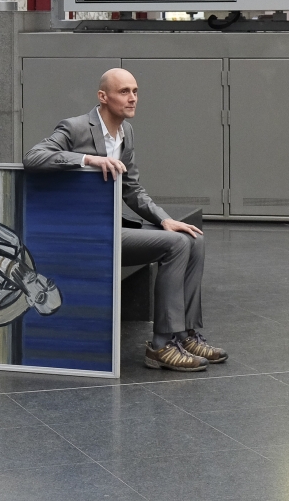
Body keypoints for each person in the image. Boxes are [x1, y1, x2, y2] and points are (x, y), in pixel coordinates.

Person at [25, 67, 227, 372]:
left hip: (112, 228)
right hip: (87, 232)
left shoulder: (125, 132)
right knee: (176, 246)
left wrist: (163, 220)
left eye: (135, 91)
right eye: (124, 92)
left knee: (192, 239)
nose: (132, 98)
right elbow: (33, 157)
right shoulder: (76, 127)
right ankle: (160, 346)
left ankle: (185, 335)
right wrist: (87, 160)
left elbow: (132, 189)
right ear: (102, 97)